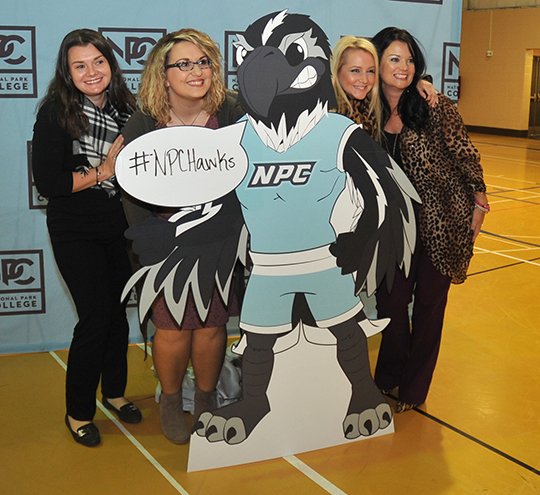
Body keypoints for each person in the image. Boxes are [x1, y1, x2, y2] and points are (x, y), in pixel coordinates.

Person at [121, 29, 245, 444]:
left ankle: (207, 400)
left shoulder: (232, 112)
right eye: (185, 64)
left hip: (219, 239)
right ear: (163, 73)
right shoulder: (143, 122)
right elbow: (130, 187)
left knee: (211, 326)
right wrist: (148, 236)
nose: (197, 71)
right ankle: (172, 400)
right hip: (164, 243)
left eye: (204, 62)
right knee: (172, 329)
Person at [368, 27, 488, 412]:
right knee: (391, 306)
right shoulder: (365, 111)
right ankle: (387, 378)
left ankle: (414, 390)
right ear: (377, 62)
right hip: (392, 228)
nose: (403, 68)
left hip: (442, 221)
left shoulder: (434, 106)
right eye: (394, 59)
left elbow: (465, 153)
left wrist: (479, 202)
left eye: (410, 60)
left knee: (429, 309)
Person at [32, 29, 141, 448]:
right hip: (74, 229)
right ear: (67, 71)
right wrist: (103, 172)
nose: (91, 72)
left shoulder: (125, 109)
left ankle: (113, 393)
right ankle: (78, 411)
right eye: (80, 65)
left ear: (111, 65)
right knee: (95, 317)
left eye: (98, 62)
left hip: (120, 225)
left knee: (116, 317)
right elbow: (49, 182)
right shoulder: (55, 113)